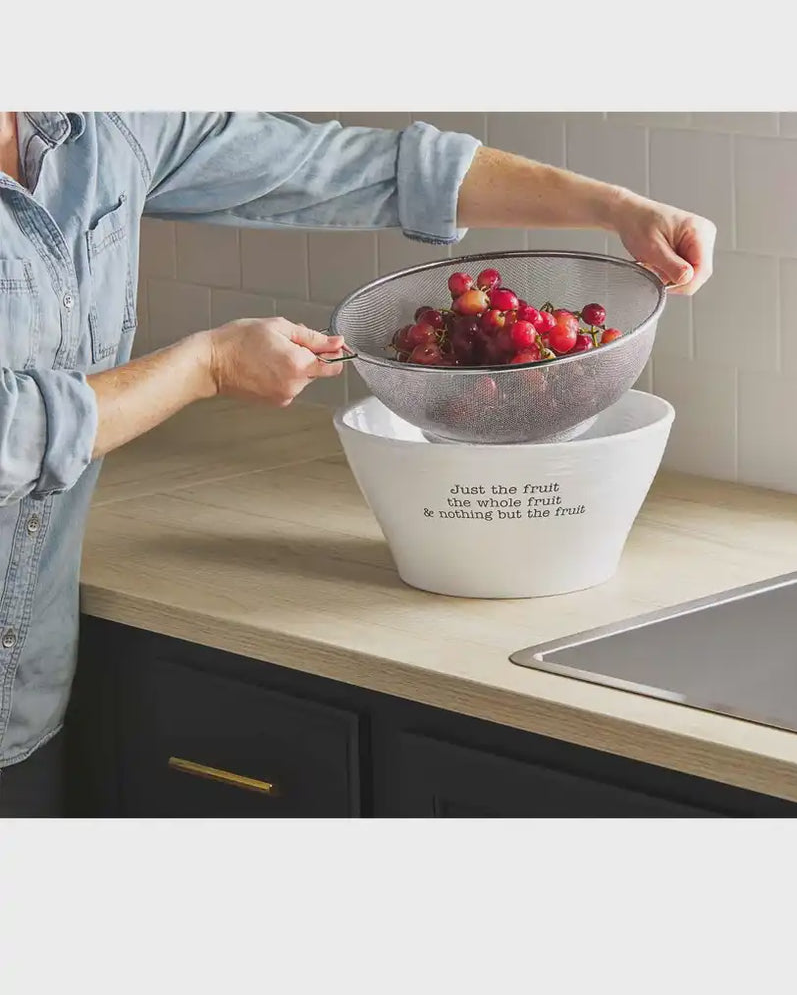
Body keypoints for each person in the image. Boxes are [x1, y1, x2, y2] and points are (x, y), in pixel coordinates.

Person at [0, 111, 716, 817]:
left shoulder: (96, 123)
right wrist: (206, 366)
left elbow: (355, 168)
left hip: (27, 687)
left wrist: (614, 207)